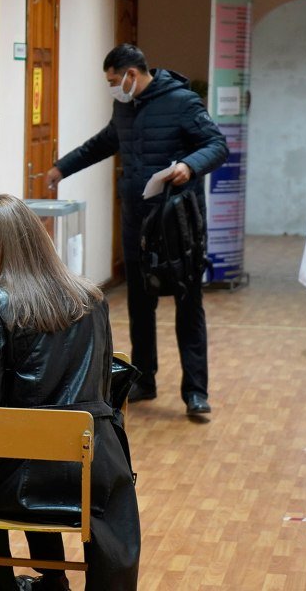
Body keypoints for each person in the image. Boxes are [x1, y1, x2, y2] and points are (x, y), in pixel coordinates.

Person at [0, 194, 141, 591]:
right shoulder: (92, 296)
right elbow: (105, 382)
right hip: (97, 470)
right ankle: (52, 578)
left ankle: (9, 584)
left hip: (28, 481)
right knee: (33, 444)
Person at [45, 43, 228, 417]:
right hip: (136, 220)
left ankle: (196, 391)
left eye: (114, 80)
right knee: (139, 303)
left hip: (178, 223)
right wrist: (62, 168)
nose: (112, 87)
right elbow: (104, 143)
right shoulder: (124, 106)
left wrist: (190, 166)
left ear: (131, 74)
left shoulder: (183, 102)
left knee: (187, 303)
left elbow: (217, 144)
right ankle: (145, 380)